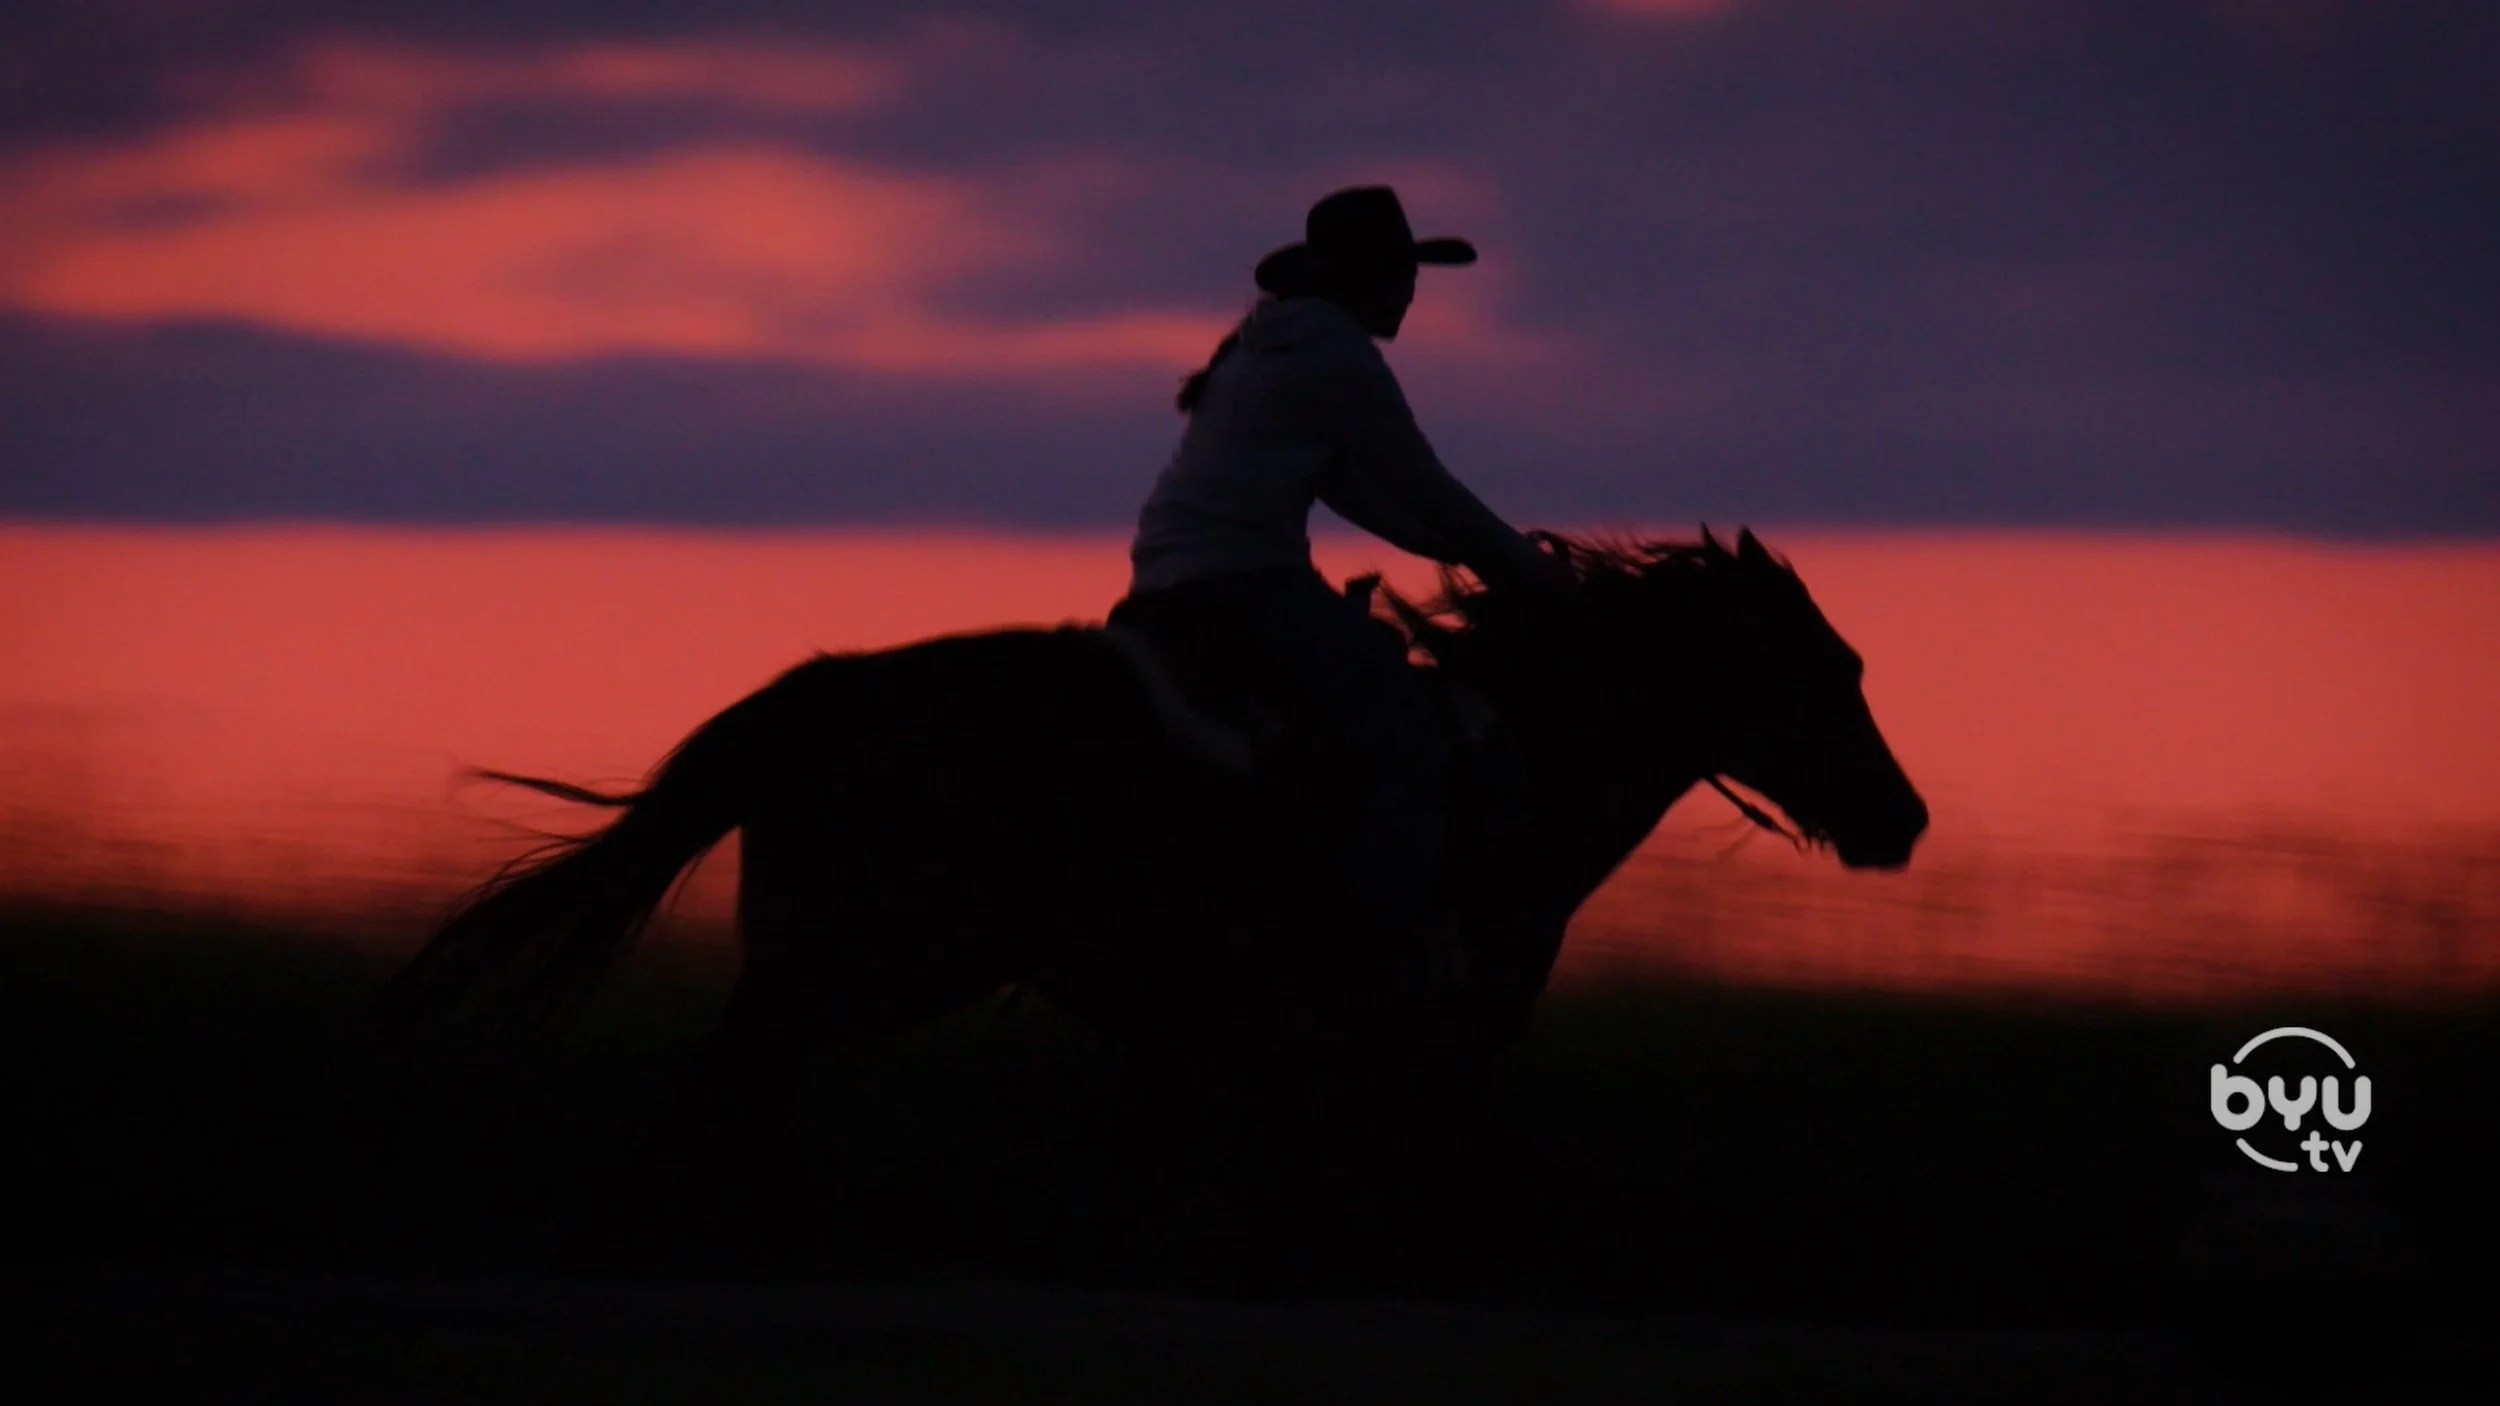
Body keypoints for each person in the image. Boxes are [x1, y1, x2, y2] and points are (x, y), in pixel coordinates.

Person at [1123, 184, 1575, 967]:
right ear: (1364, 277)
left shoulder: (1268, 345)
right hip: (1246, 581)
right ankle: (1384, 947)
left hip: (1170, 579)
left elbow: (1356, 487)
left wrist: (1471, 553)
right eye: (1401, 273)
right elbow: (1422, 482)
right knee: (1408, 733)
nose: (1410, 291)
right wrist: (1528, 570)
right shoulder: (1337, 356)